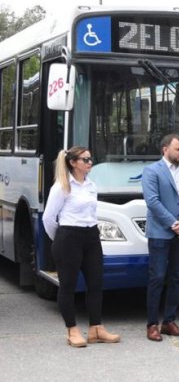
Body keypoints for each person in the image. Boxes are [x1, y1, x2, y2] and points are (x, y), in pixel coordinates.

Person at [43, 147, 121, 348]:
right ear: (73, 163)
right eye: (85, 160)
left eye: (90, 159)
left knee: (96, 283)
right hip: (69, 236)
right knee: (68, 285)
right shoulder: (62, 186)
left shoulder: (91, 185)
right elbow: (49, 218)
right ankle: (73, 330)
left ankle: (96, 328)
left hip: (91, 235)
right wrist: (60, 239)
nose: (90, 163)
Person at [142, 134, 179, 342]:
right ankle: (151, 325)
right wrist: (173, 223)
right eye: (178, 149)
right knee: (157, 278)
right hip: (160, 233)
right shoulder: (151, 171)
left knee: (176, 277)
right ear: (165, 149)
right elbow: (152, 201)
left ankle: (169, 321)